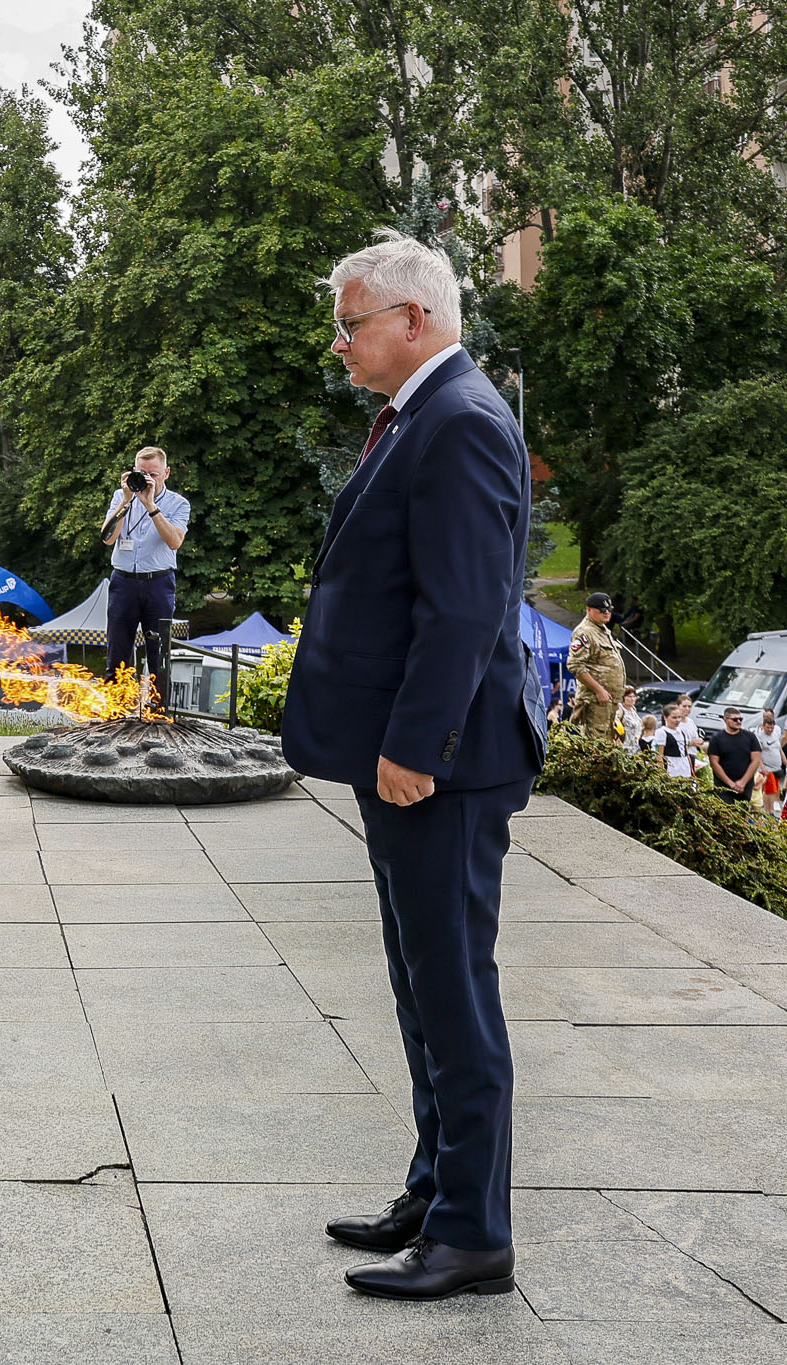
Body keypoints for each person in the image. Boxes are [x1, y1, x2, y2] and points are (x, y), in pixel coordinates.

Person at [282, 232, 545, 1301]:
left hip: (440, 762)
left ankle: (473, 1234)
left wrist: (410, 748)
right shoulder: (420, 417)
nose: (339, 344)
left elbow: (464, 610)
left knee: (452, 992)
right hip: (412, 757)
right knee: (416, 987)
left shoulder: (460, 423)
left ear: (411, 321)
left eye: (349, 325)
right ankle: (435, 1191)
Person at [100, 445, 191, 705]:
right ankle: (114, 709)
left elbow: (174, 541)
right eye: (141, 472)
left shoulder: (178, 503)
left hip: (158, 583)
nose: (147, 478)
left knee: (159, 652)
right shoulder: (121, 496)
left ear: (167, 473)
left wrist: (150, 505)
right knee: (117, 650)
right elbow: (107, 538)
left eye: (154, 473)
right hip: (123, 582)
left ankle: (160, 708)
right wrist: (127, 500)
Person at [565, 592, 625, 742]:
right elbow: (575, 665)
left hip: (608, 701)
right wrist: (599, 690)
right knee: (595, 747)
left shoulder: (603, 630)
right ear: (589, 609)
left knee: (606, 744)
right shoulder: (584, 632)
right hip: (594, 700)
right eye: (601, 610)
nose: (607, 613)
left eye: (609, 609)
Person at [706, 708, 763, 806]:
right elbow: (714, 763)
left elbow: (756, 760)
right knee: (725, 813)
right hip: (723, 784)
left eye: (741, 719)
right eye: (735, 719)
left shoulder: (750, 737)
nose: (739, 722)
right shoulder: (717, 738)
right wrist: (731, 784)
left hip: (745, 784)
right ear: (725, 719)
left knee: (742, 812)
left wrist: (743, 782)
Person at [755, 709, 782, 818]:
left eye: (771, 727)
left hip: (776, 767)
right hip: (766, 768)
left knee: (775, 791)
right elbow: (757, 753)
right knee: (770, 790)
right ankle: (768, 812)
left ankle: (771, 811)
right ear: (763, 726)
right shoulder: (759, 736)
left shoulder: (775, 735)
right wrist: (762, 767)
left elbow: (779, 750)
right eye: (768, 727)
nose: (770, 729)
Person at [659, 702, 695, 780]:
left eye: (679, 717)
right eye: (674, 717)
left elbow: (686, 751)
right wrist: (662, 774)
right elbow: (659, 755)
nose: (677, 720)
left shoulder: (681, 731)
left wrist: (691, 770)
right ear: (665, 718)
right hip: (671, 768)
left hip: (684, 768)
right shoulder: (662, 732)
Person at [616, 687, 643, 751]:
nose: (632, 699)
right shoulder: (620, 709)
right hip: (624, 745)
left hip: (635, 745)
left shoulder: (633, 709)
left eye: (634, 696)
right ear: (623, 697)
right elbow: (615, 724)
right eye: (629, 696)